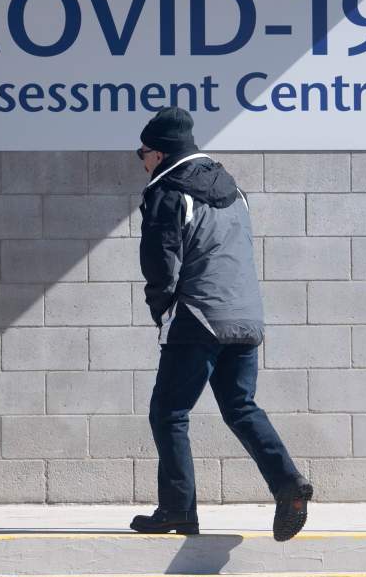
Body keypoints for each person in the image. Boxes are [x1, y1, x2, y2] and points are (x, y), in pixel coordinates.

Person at [129, 107, 313, 542]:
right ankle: (288, 486)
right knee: (240, 407)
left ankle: (177, 509)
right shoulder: (234, 189)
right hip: (246, 319)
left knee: (169, 413)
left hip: (198, 318)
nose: (140, 160)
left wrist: (163, 311)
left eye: (142, 152)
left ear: (158, 153)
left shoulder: (168, 192)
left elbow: (159, 263)